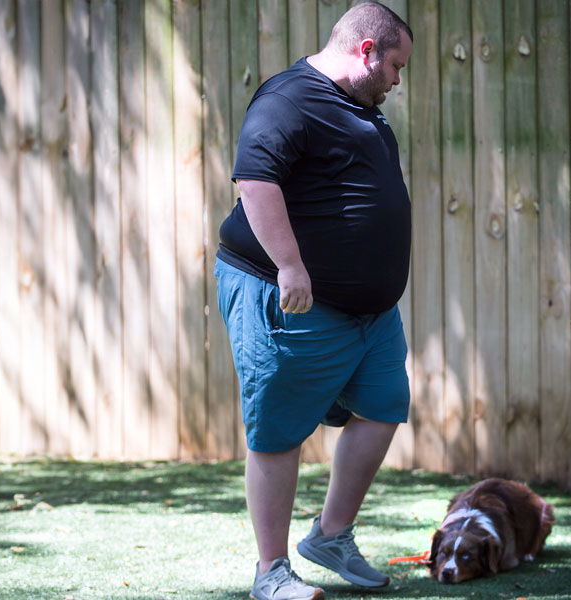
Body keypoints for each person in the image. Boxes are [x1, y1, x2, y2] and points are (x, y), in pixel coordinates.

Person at [212, 3, 413, 599]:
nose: (398, 81)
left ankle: (331, 534)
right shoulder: (289, 98)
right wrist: (290, 266)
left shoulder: (362, 108)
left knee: (385, 404)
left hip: (370, 313)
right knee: (277, 431)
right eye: (396, 66)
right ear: (367, 51)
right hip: (292, 296)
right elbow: (255, 180)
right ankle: (270, 572)